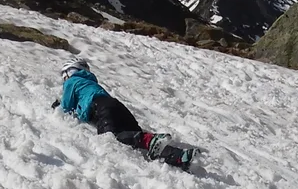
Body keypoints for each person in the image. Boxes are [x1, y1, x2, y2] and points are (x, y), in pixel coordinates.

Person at [56, 57, 197, 169]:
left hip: (99, 108)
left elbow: (66, 107)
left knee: (113, 138)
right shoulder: (91, 83)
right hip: (116, 106)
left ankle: (152, 140)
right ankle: (180, 156)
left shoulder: (72, 81)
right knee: (136, 138)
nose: (64, 79)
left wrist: (57, 106)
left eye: (65, 75)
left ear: (71, 72)